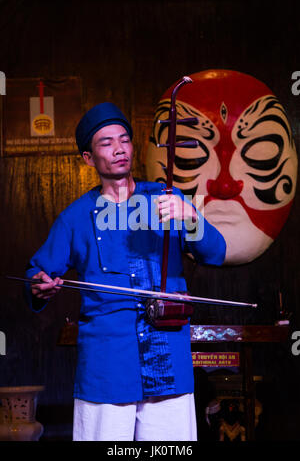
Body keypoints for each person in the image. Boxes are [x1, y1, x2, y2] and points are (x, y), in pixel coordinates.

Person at [25, 102, 226, 441]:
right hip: (106, 367)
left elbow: (216, 254)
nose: (119, 149)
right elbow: (38, 273)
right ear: (89, 158)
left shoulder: (166, 198)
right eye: (106, 143)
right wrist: (39, 285)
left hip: (168, 359)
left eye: (125, 140)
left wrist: (191, 217)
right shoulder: (75, 218)